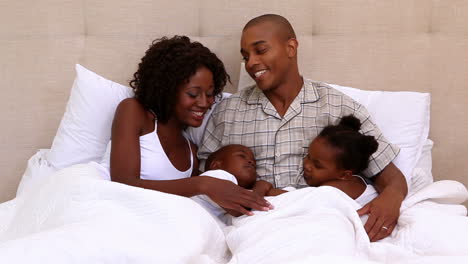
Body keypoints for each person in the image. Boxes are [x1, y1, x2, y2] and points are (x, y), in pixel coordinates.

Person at [198, 14, 408, 241]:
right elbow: (204, 181)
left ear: (291, 47)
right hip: (254, 227)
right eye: (246, 56)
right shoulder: (227, 113)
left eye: (260, 50)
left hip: (324, 224)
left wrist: (392, 198)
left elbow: (389, 175)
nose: (250, 63)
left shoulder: (338, 106)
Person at [105, 35, 271, 216]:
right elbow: (122, 182)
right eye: (193, 94)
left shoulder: (191, 151)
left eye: (209, 94)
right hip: (116, 210)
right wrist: (202, 184)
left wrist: (260, 188)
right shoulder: (134, 112)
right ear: (166, 89)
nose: (204, 103)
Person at [193, 144, 286, 223]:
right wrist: (261, 187)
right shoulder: (216, 176)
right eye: (241, 156)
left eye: (254, 162)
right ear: (216, 165)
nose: (251, 162)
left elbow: (289, 196)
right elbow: (241, 209)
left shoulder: (238, 189)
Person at [302, 115, 379, 209]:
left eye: (317, 165)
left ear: (345, 175)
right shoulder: (352, 180)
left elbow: (300, 202)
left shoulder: (332, 189)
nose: (307, 165)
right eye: (308, 156)